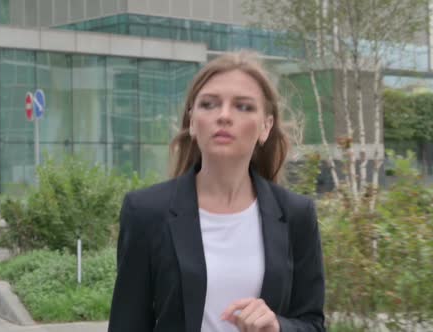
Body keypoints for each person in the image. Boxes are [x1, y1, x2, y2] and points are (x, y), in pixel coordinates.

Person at [108, 51, 325, 332]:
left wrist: (278, 326)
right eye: (209, 104)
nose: (223, 116)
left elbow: (313, 324)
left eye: (243, 107)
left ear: (266, 126)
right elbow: (127, 324)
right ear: (192, 122)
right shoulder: (146, 211)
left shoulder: (296, 214)